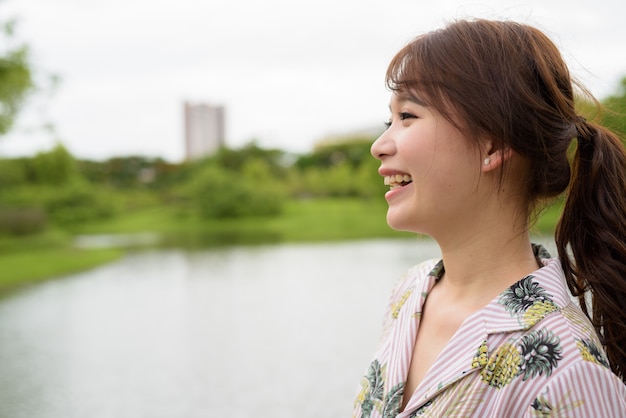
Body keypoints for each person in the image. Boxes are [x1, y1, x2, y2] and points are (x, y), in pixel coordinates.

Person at [352, 19, 626, 417]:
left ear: (492, 144)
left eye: (408, 116)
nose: (380, 146)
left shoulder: (567, 370)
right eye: (387, 121)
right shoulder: (409, 294)